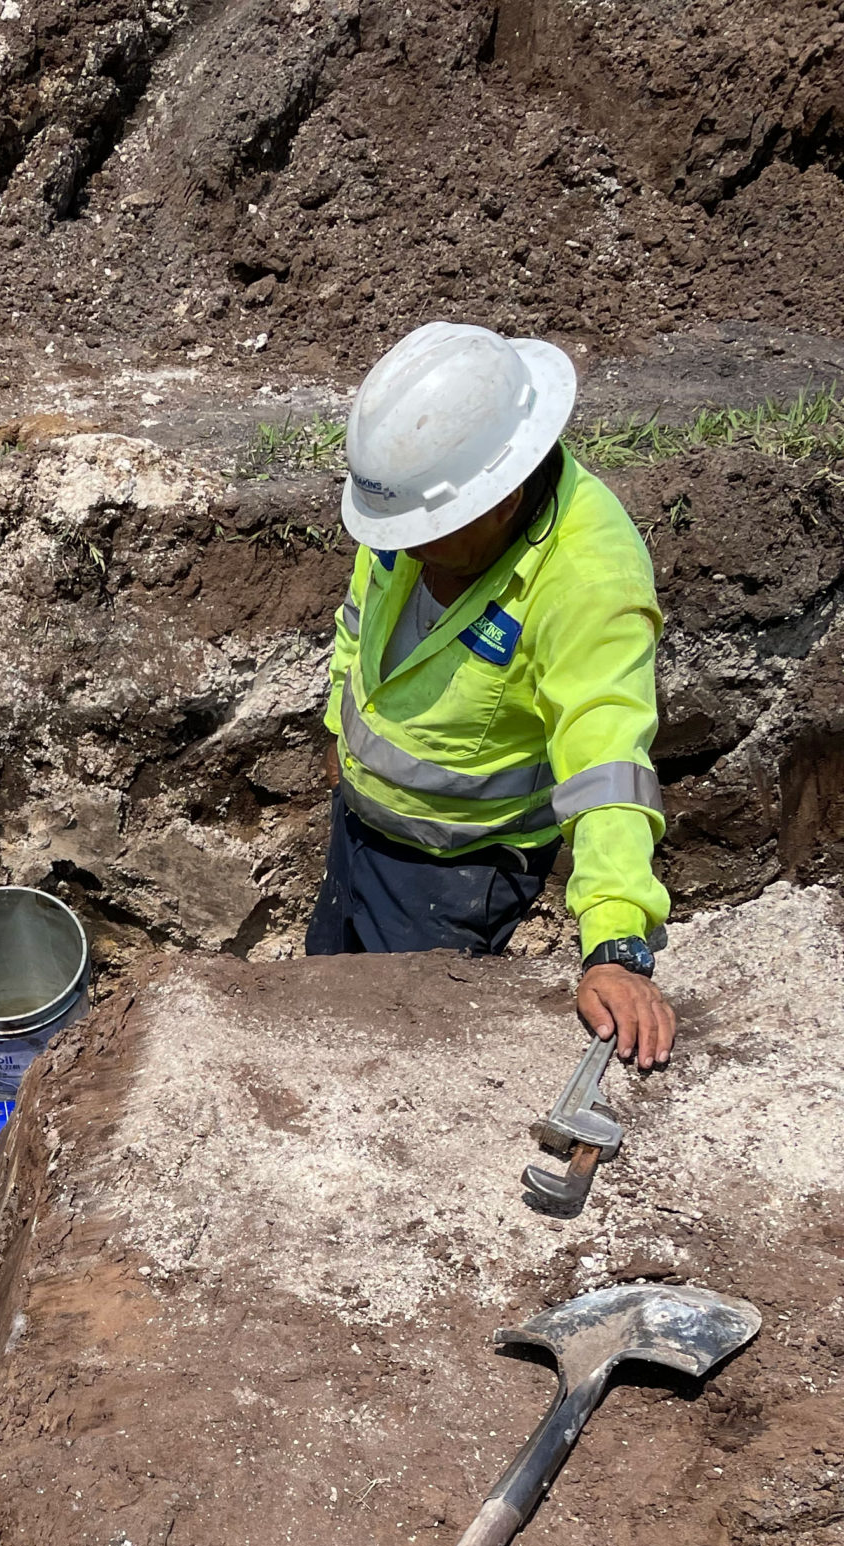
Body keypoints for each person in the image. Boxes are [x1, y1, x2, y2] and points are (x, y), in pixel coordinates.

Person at [313, 320, 675, 1069]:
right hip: (357, 828)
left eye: (427, 532)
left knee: (391, 1059)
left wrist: (615, 940)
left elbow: (607, 761)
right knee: (322, 996)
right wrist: (335, 731)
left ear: (502, 497)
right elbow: (359, 618)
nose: (402, 546)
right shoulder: (412, 504)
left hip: (453, 873)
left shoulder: (588, 582)